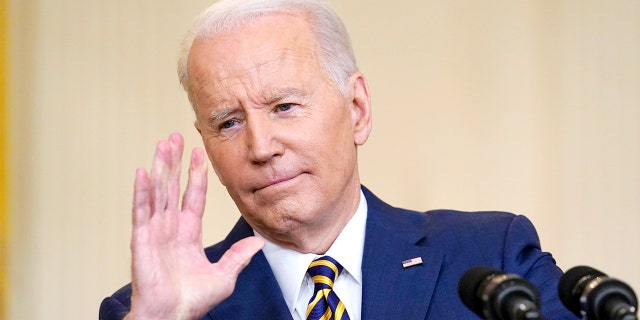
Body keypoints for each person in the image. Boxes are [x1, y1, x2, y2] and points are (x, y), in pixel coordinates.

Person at [100, 0, 577, 319]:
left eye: (284, 107)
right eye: (228, 122)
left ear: (357, 109)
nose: (261, 147)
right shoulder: (150, 309)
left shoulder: (489, 257)